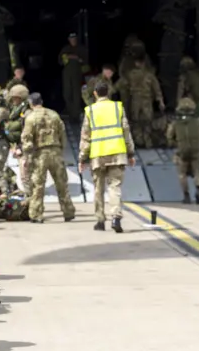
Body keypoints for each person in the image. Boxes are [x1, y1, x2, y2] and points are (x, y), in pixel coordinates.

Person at [78, 82, 136, 233]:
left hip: (98, 155)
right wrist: (130, 153)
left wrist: (82, 158)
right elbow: (126, 132)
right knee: (115, 186)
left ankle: (100, 220)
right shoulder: (118, 107)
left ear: (95, 93)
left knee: (98, 189)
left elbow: (86, 137)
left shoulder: (90, 110)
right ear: (108, 93)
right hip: (117, 153)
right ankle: (116, 217)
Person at [20, 92, 75, 223]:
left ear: (30, 103)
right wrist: (60, 148)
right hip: (56, 151)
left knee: (38, 185)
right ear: (42, 102)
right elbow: (62, 133)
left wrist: (27, 156)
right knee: (62, 184)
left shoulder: (31, 118)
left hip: (40, 154)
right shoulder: (54, 114)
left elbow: (27, 139)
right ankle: (68, 212)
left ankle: (36, 214)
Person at [167, 98, 199, 204]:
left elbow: (169, 136)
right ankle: (198, 189)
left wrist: (175, 144)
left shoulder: (176, 123)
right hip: (197, 151)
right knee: (198, 172)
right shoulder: (198, 121)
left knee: (182, 174)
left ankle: (186, 196)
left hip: (182, 152)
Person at [120, 58, 164, 148]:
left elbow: (156, 89)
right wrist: (160, 101)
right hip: (139, 101)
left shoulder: (145, 75)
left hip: (142, 101)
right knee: (140, 121)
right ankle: (142, 141)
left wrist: (160, 100)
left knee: (142, 121)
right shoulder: (142, 75)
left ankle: (142, 141)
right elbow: (157, 90)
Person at [5, 85, 30, 194]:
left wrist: (20, 147)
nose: (13, 100)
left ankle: (30, 194)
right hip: (17, 143)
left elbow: (26, 132)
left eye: (15, 98)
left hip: (24, 146)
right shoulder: (16, 109)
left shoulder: (26, 112)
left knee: (25, 170)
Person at [58, 33, 89, 119]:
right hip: (67, 74)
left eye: (74, 38)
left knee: (77, 93)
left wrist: (77, 58)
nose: (73, 40)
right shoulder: (65, 49)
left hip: (77, 73)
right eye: (71, 38)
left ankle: (76, 114)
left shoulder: (82, 49)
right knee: (67, 93)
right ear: (69, 39)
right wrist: (67, 56)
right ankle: (70, 111)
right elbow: (60, 61)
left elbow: (86, 62)